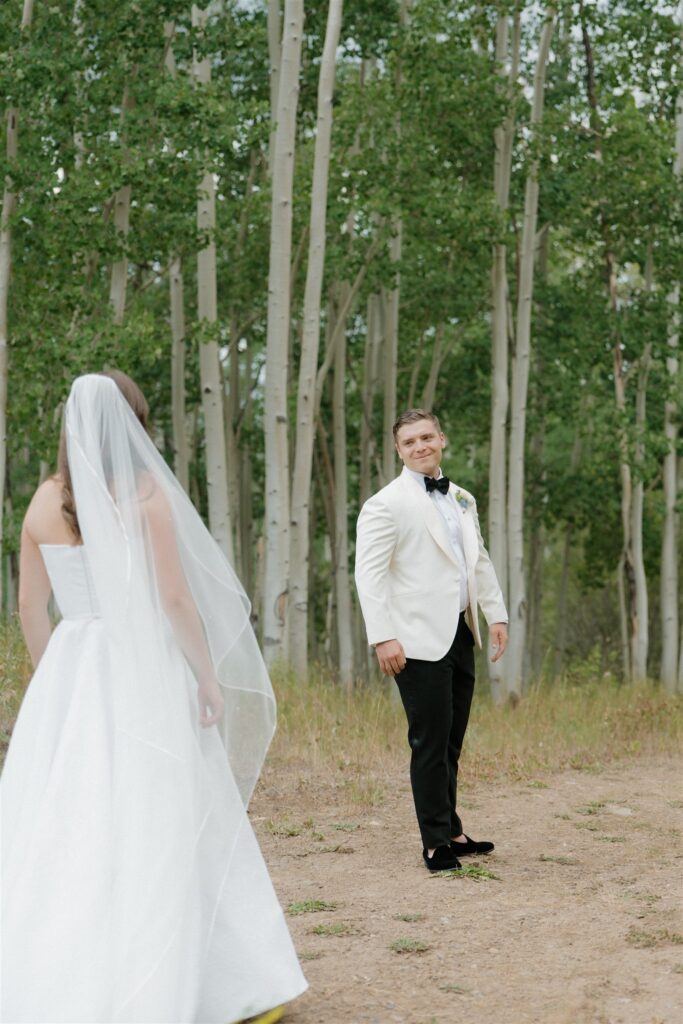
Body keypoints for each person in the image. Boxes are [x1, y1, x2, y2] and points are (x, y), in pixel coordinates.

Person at [1, 371, 307, 1024]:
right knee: (168, 808)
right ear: (132, 424)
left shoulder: (45, 499)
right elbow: (173, 599)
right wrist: (206, 675)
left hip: (73, 664)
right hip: (143, 666)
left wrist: (56, 679)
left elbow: (30, 604)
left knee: (68, 819)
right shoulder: (145, 497)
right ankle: (223, 984)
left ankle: (51, 978)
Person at [354, 409, 508, 873]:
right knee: (429, 741)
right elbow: (368, 575)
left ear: (442, 439)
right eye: (409, 442)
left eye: (426, 437)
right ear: (398, 450)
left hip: (461, 630)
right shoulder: (385, 504)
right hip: (414, 639)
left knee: (451, 741)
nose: (420, 446)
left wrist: (495, 614)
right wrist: (383, 637)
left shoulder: (462, 497)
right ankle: (434, 844)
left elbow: (477, 559)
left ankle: (453, 831)